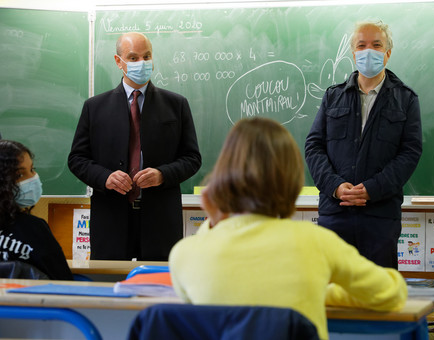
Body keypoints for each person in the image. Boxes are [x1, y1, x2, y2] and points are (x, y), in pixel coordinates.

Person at [169, 117, 408, 340]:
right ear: (292, 180)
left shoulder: (184, 254)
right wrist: (320, 290)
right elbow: (392, 293)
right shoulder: (316, 242)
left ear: (221, 175)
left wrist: (213, 221)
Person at [68, 32, 201, 261]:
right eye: (133, 57)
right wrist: (105, 177)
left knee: (158, 287)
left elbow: (192, 158)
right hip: (111, 219)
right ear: (118, 61)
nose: (142, 63)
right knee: (109, 289)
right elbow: (77, 159)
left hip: (160, 220)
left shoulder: (176, 104)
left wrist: (162, 174)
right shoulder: (95, 107)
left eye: (147, 56)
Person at [304, 20, 422, 269]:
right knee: (332, 298)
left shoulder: (406, 99)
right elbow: (314, 146)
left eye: (376, 45)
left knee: (379, 300)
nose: (368, 51)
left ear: (387, 53)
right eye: (361, 45)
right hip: (335, 214)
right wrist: (335, 186)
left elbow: (409, 153)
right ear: (354, 53)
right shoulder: (333, 96)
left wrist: (372, 188)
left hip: (380, 217)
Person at [0, 140, 73, 280]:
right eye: (19, 175)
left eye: (32, 169)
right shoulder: (33, 229)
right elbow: (63, 281)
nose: (32, 178)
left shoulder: (34, 227)